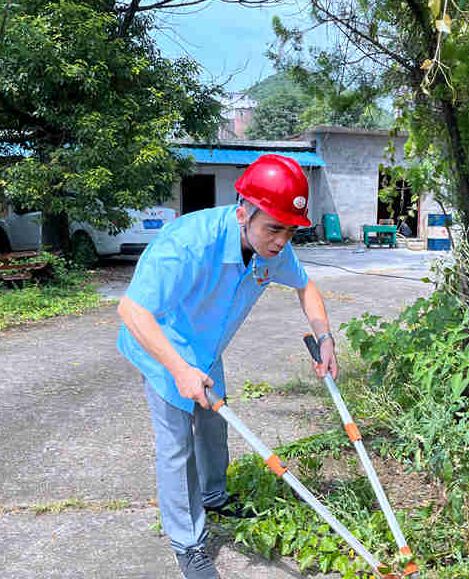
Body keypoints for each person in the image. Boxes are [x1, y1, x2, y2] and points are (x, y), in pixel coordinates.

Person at [116, 154, 338, 579]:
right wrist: (180, 370)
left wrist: (325, 337)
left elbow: (306, 286)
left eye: (290, 231)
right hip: (163, 347)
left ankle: (214, 495)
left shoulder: (272, 249)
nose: (280, 241)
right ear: (243, 212)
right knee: (177, 444)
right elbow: (132, 311)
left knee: (215, 425)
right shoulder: (185, 244)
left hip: (206, 349)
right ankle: (188, 544)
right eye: (274, 228)